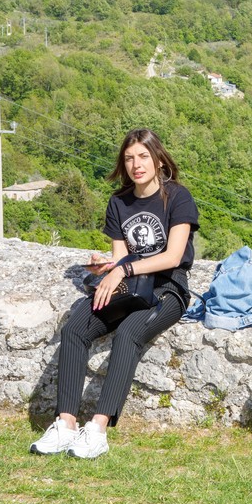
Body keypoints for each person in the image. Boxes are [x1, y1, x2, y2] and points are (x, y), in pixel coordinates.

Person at [30, 128, 199, 459]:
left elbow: (173, 256)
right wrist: (108, 267)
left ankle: (98, 429)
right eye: (129, 158)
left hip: (168, 287)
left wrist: (123, 269)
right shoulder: (119, 202)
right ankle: (65, 424)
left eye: (143, 156)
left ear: (159, 159)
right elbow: (123, 258)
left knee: (128, 333)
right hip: (130, 286)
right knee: (75, 328)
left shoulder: (178, 197)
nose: (137, 165)